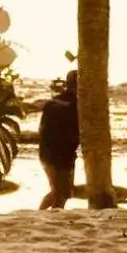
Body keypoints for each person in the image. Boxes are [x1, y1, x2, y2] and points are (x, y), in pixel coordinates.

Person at [39, 71, 80, 209]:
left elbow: (43, 128)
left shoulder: (55, 102)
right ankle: (41, 215)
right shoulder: (76, 105)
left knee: (62, 193)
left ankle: (41, 214)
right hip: (58, 153)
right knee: (61, 193)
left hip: (51, 152)